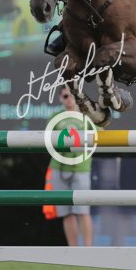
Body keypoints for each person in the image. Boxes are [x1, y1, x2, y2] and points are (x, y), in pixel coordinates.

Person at [48, 88, 93, 246]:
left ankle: (88, 250)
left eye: (73, 95)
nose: (70, 98)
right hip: (59, 168)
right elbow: (47, 141)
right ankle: (73, 249)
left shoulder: (87, 116)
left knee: (83, 211)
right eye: (66, 96)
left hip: (81, 168)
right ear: (60, 98)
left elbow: (99, 136)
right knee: (65, 213)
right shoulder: (55, 117)